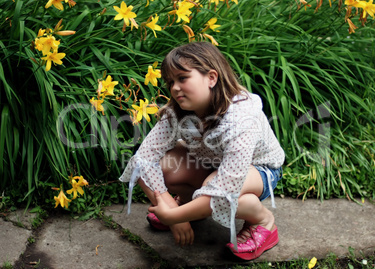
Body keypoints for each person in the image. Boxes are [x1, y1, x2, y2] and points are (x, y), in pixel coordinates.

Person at [119, 41, 285, 260]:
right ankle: (189, 206)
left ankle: (263, 222)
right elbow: (143, 160)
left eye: (183, 78)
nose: (175, 87)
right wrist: (169, 206)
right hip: (212, 163)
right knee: (164, 166)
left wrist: (172, 216)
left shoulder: (241, 117)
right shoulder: (177, 112)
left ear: (211, 78)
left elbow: (225, 187)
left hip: (259, 170)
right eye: (171, 82)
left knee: (216, 191)